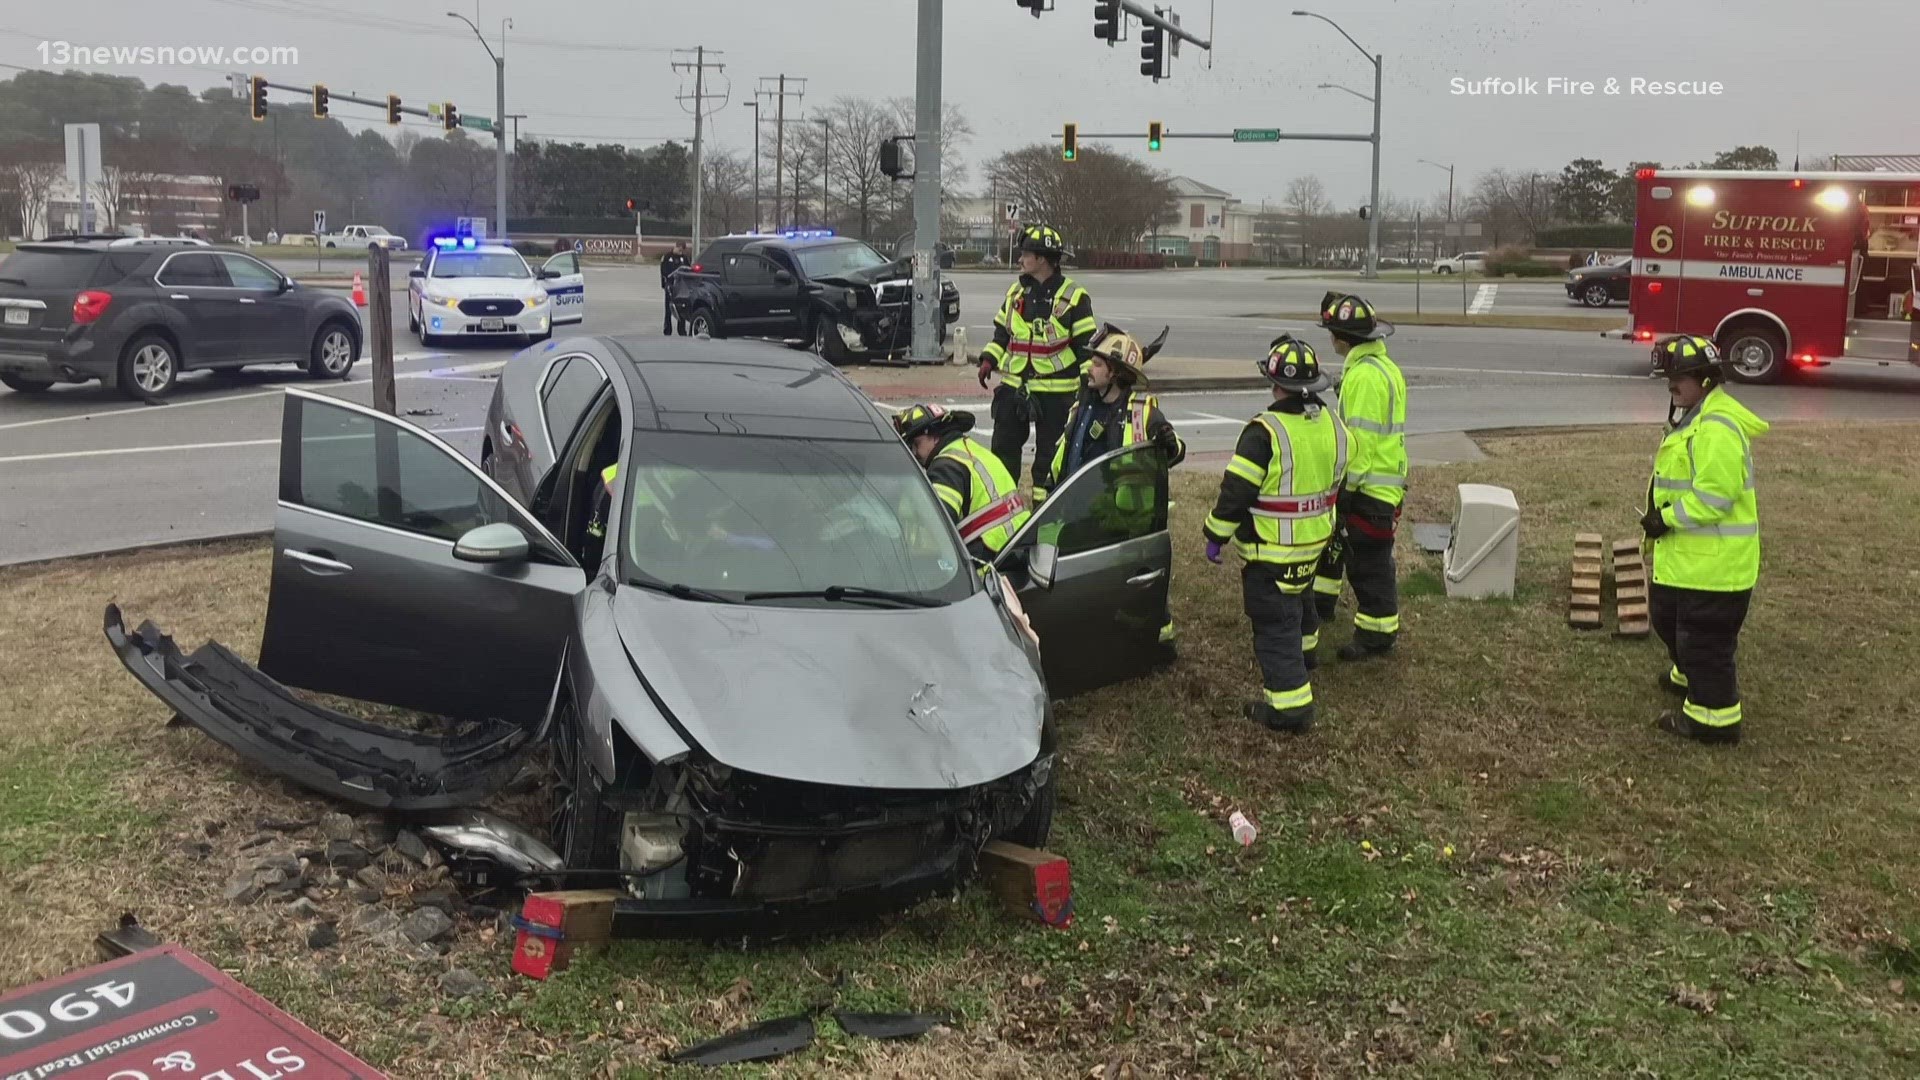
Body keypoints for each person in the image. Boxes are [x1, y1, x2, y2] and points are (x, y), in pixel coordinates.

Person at [1203, 336, 1350, 733]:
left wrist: (1215, 534)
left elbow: (1235, 493)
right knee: (1301, 604)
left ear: (1275, 384)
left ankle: (1289, 707)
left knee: (1274, 624)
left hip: (1271, 553)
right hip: (1314, 545)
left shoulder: (1263, 432)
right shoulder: (1336, 426)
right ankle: (1306, 656)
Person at [1642, 334, 1768, 745]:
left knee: (1704, 641)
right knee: (1667, 617)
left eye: (1678, 378)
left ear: (1706, 380)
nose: (1670, 386)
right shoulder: (1694, 416)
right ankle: (1686, 674)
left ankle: (1714, 720)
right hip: (1692, 559)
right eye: (1668, 378)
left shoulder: (1716, 430)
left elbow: (1715, 497)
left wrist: (1666, 518)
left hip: (1716, 567)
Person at [1046, 323, 1185, 647]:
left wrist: (1167, 443)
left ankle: (1159, 642)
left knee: (1135, 591)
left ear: (1116, 373)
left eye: (1097, 363)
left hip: (1124, 522)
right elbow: (1064, 457)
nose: (1088, 368)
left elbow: (1175, 454)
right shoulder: (1082, 407)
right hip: (1079, 511)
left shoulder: (1143, 414)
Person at [1311, 291, 1409, 662]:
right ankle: (1324, 603)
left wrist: (1346, 489)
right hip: (1384, 482)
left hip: (1370, 487)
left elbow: (1361, 443)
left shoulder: (1365, 377)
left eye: (1332, 333)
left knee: (1369, 565)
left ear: (1341, 337)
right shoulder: (1380, 368)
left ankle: (1376, 635)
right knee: (1349, 552)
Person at [976, 223, 1098, 504]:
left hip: (1056, 394)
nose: (1020, 259)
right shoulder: (1016, 293)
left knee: (1049, 457)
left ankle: (1043, 512)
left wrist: (1085, 388)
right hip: (1014, 387)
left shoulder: (1074, 297)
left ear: (1042, 259)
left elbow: (1086, 348)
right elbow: (1002, 333)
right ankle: (1004, 509)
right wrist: (988, 359)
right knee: (1003, 451)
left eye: (1025, 254)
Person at [894, 402, 1031, 563]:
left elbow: (939, 522)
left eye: (916, 444)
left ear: (935, 436)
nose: (914, 453)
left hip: (989, 555)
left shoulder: (946, 465)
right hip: (1019, 545)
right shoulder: (972, 450)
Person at [659, 241, 690, 335]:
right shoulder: (667, 257)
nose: (680, 252)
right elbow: (663, 271)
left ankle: (682, 330)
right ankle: (667, 329)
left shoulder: (684, 258)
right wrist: (666, 283)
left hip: (681, 287)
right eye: (679, 249)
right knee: (668, 309)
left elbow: (688, 269)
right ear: (676, 247)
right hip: (670, 285)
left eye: (682, 250)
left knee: (681, 308)